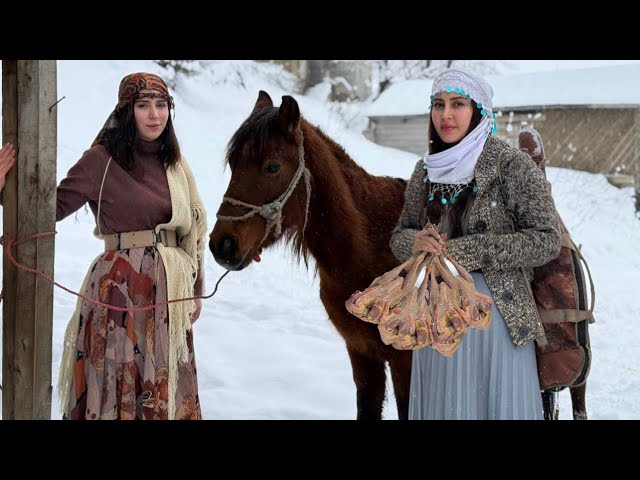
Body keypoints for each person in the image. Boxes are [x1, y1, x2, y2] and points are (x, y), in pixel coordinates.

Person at [389, 67, 561, 420]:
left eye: (457, 104)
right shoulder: (426, 170)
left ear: (479, 111)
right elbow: (399, 235)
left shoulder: (510, 165)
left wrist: (476, 250)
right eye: (438, 104)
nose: (446, 115)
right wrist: (415, 242)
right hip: (436, 316)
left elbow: (547, 240)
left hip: (495, 314)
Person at [56, 72, 207, 420]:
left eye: (161, 105)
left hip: (168, 294)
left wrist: (196, 290)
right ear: (127, 111)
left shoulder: (176, 165)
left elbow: (193, 231)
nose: (155, 115)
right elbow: (49, 208)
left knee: (161, 390)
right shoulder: (100, 160)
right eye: (143, 105)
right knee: (116, 381)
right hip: (118, 295)